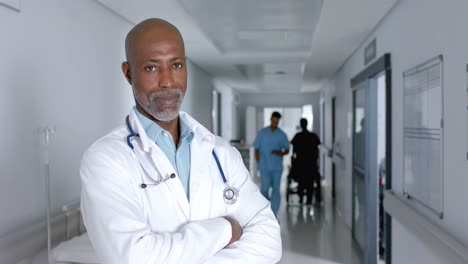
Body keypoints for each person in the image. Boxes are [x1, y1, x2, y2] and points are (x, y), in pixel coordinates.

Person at [80, 18, 281, 264]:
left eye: (176, 65)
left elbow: (270, 242)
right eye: (151, 68)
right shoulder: (106, 159)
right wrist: (225, 229)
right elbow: (132, 258)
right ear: (128, 73)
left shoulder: (221, 153)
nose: (167, 81)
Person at [253, 111, 290, 216]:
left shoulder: (281, 135)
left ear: (278, 121)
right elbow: (256, 149)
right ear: (271, 119)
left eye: (277, 122)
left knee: (276, 190)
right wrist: (259, 162)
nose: (275, 123)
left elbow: (287, 149)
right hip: (264, 166)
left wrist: (280, 152)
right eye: (273, 121)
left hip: (277, 167)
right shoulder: (262, 133)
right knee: (264, 189)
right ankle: (264, 211)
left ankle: (274, 212)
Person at [290, 118, 321, 205]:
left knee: (301, 181)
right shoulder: (313, 136)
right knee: (310, 183)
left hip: (300, 164)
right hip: (311, 164)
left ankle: (301, 198)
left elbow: (294, 152)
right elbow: (317, 149)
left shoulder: (298, 136)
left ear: (301, 125)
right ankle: (309, 201)